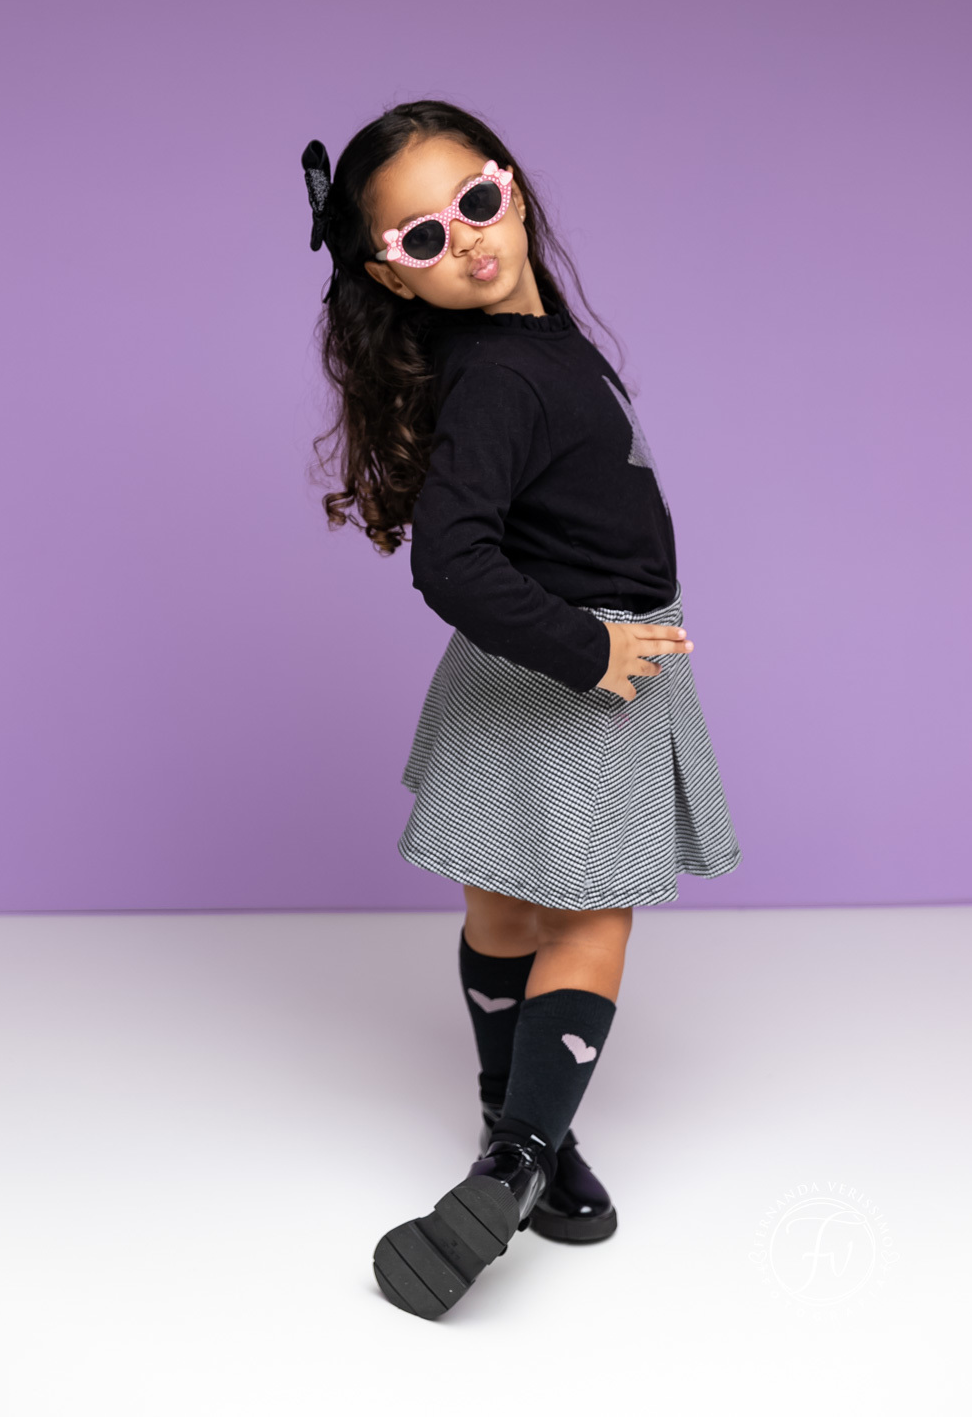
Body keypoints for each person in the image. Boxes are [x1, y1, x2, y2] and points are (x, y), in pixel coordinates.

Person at [300, 100, 742, 1321]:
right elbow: (450, 560)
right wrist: (590, 652)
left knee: (501, 905)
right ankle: (524, 1156)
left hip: (520, 664)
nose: (469, 242)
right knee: (590, 917)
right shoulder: (500, 373)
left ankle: (510, 1113)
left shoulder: (521, 345)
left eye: (477, 205)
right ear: (391, 274)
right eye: (424, 240)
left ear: (513, 186)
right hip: (571, 670)